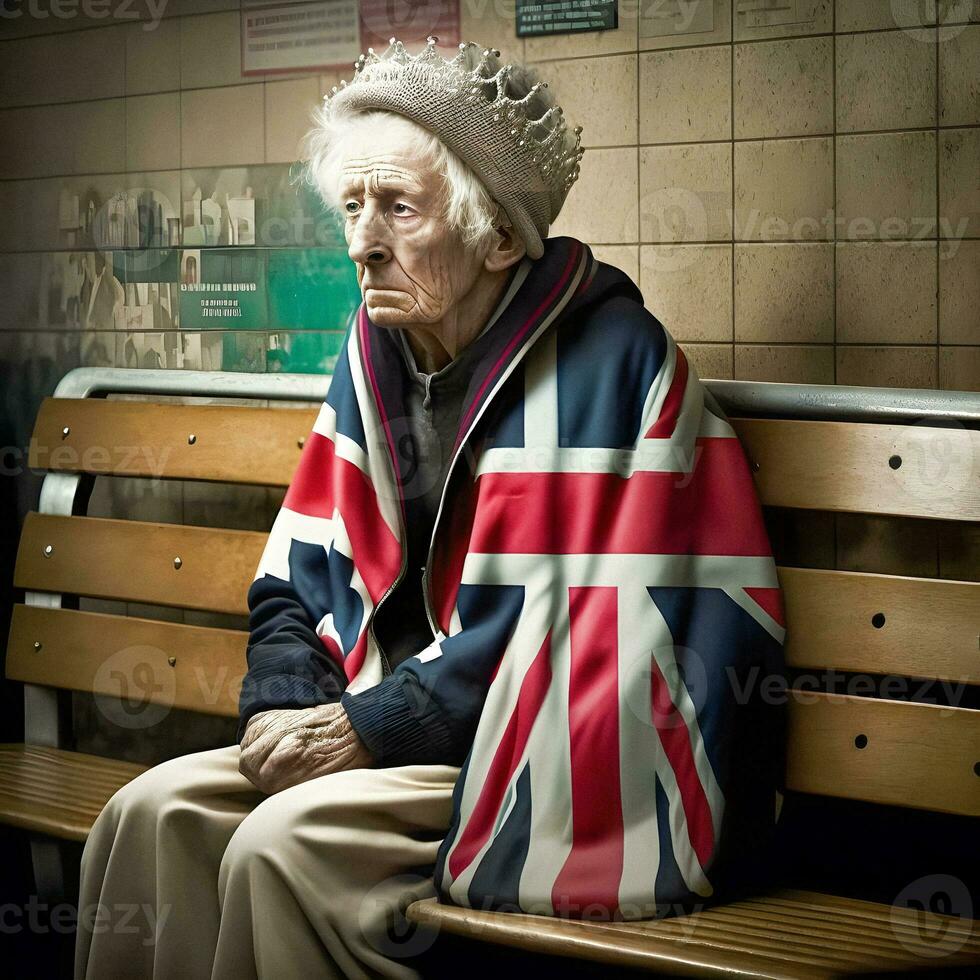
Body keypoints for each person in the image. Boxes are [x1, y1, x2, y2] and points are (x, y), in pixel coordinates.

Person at [75, 36, 784, 980]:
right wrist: (285, 702)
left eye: (399, 209)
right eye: (354, 207)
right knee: (148, 814)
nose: (363, 241)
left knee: (276, 848)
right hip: (382, 714)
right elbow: (302, 563)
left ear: (499, 236)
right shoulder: (379, 346)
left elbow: (554, 637)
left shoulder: (606, 360)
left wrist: (369, 729)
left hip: (535, 744)